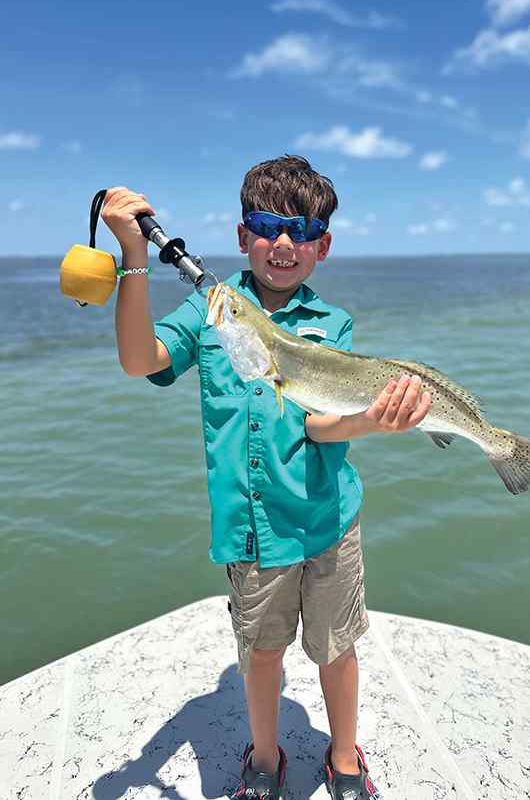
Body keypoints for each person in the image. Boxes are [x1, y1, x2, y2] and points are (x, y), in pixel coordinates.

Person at [104, 155, 431, 800]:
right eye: (266, 224)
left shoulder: (330, 324)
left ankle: (342, 756)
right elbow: (140, 359)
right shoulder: (214, 310)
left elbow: (318, 425)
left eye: (303, 230)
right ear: (241, 234)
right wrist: (134, 258)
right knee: (260, 653)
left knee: (337, 648)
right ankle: (263, 756)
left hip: (329, 523)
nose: (284, 243)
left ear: (323, 246)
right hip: (253, 532)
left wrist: (374, 421)